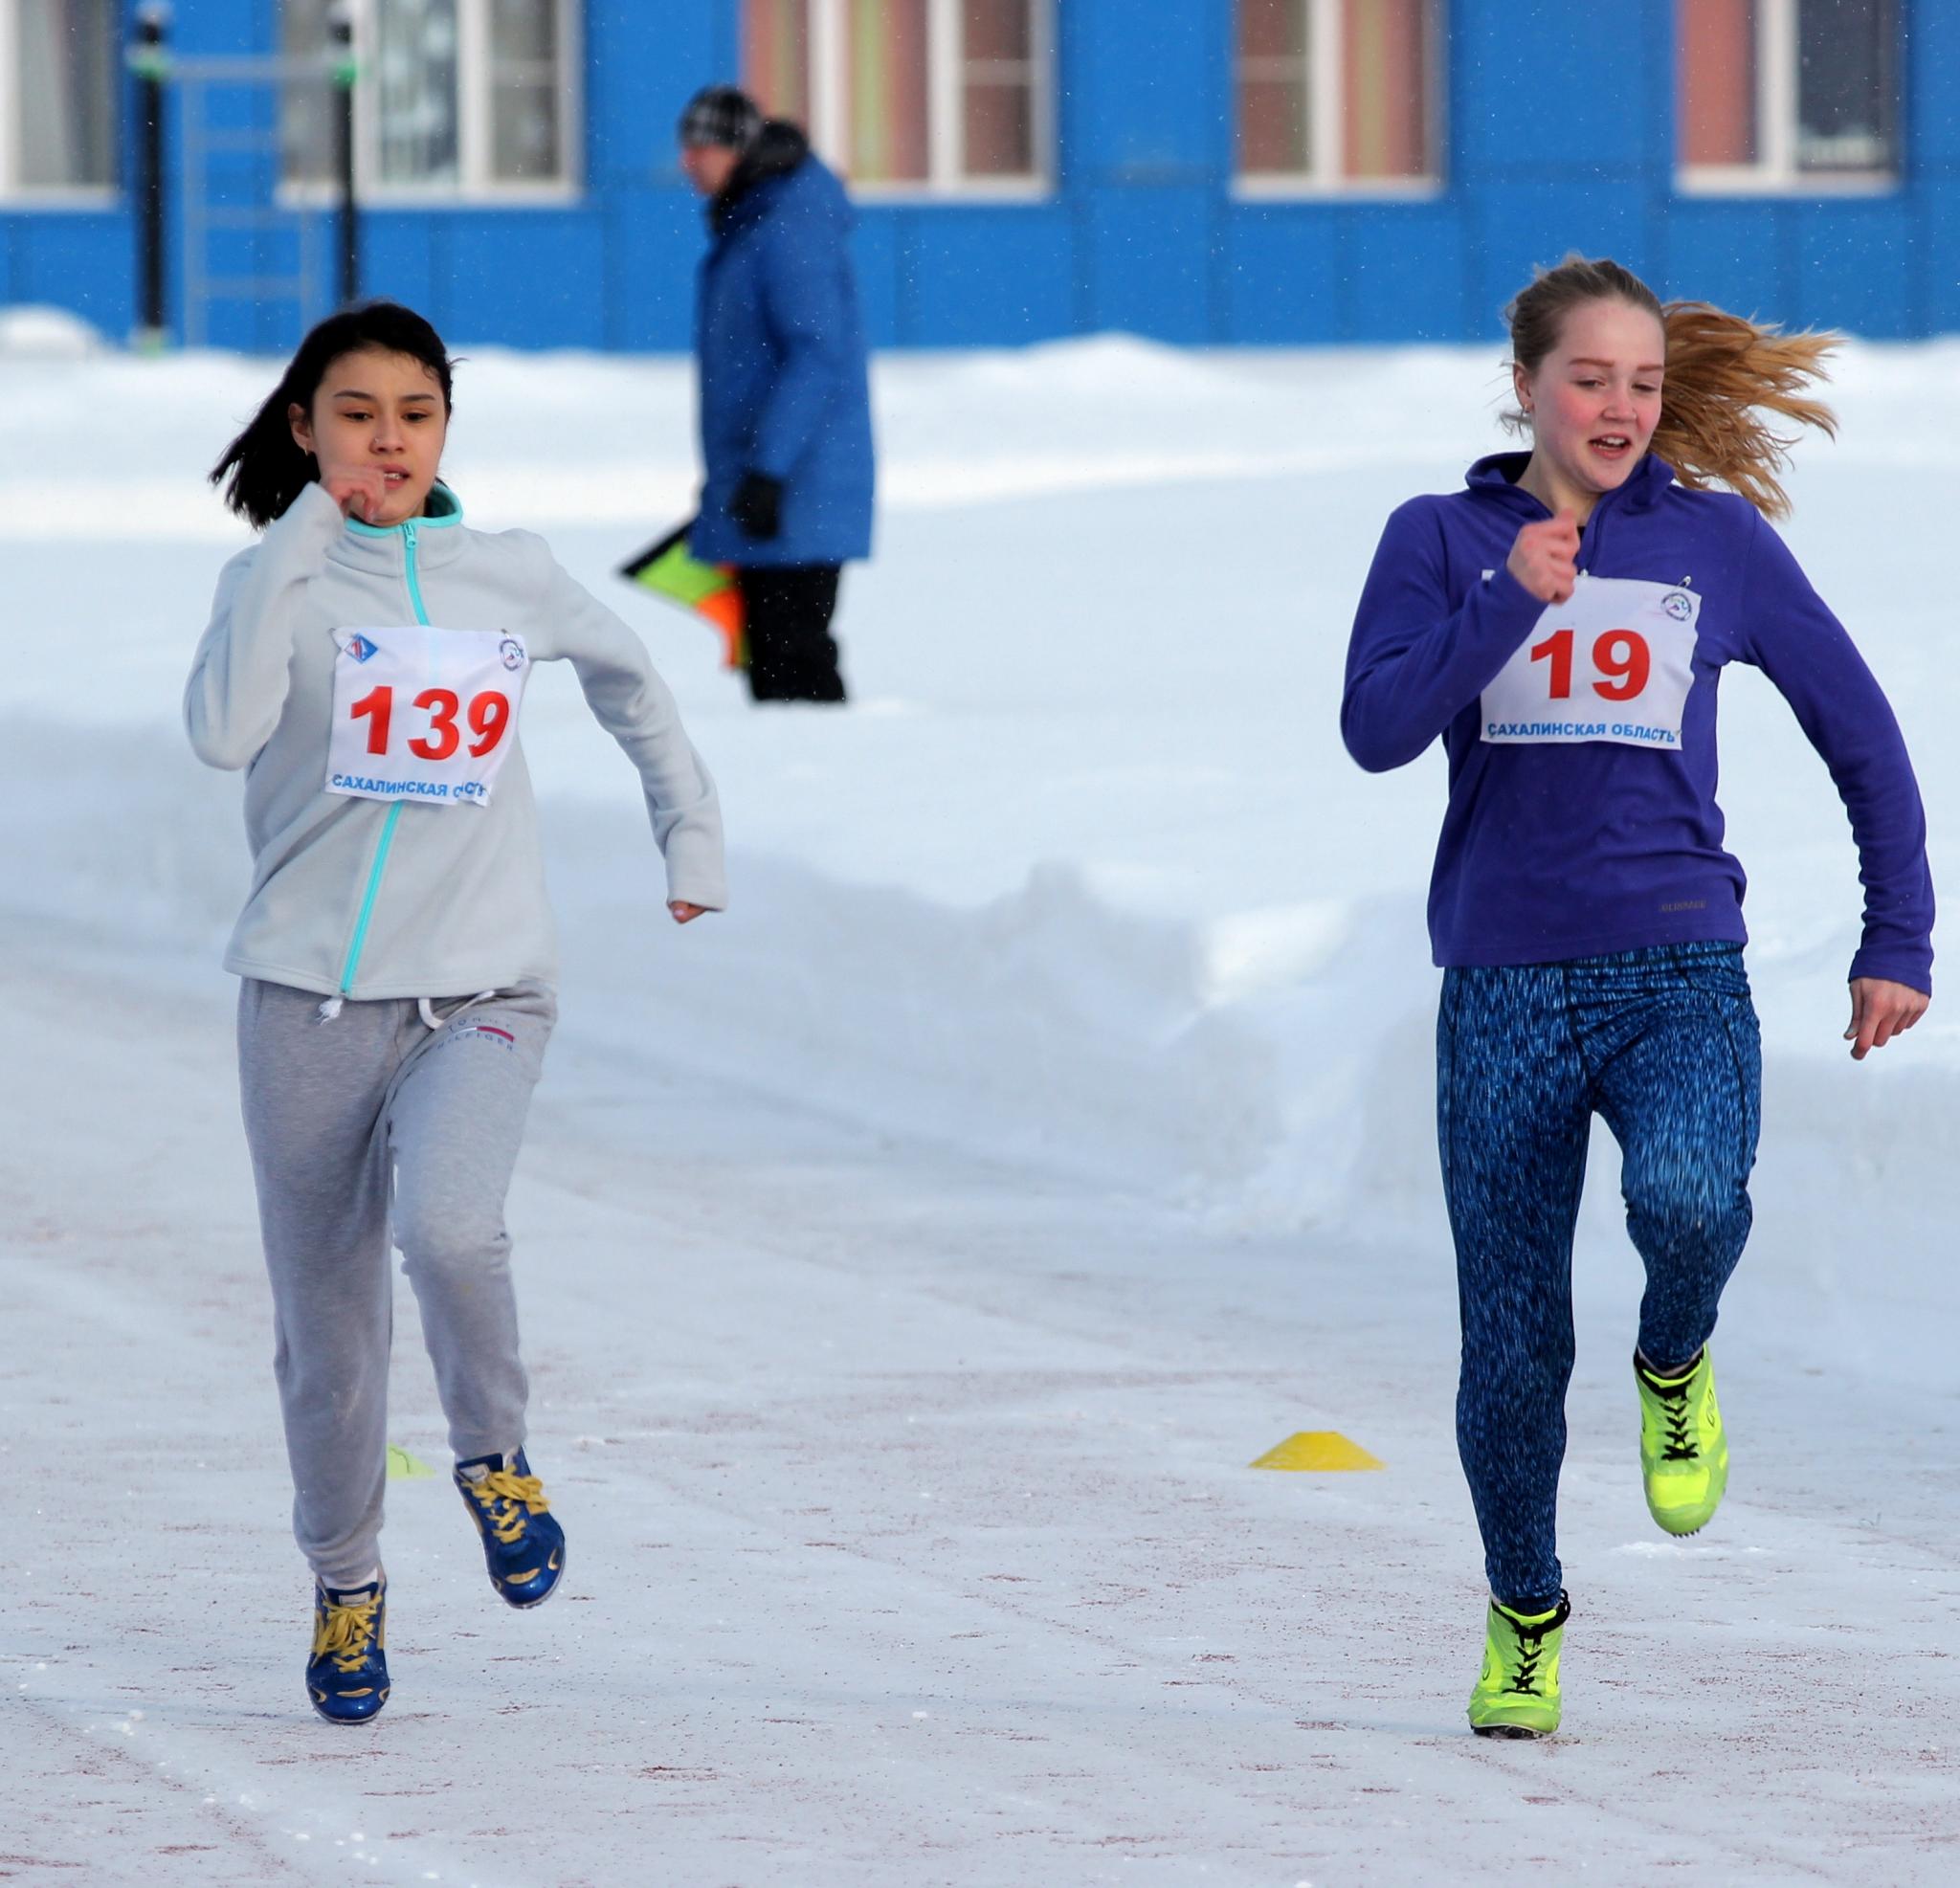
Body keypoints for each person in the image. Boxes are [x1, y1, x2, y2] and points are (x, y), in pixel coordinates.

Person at [1341, 255, 1933, 1739]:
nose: (1619, 407)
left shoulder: (1717, 545)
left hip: (1678, 966)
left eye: (1644, 382)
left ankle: (1675, 1355)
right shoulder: (1440, 536)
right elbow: (1373, 729)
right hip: (1501, 988)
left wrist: (1899, 937)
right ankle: (1526, 1614)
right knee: (1515, 1344)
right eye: (1590, 378)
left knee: (1689, 1198)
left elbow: (1863, 735)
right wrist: (1500, 600)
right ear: (1529, 385)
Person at [186, 300, 725, 1723]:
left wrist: (692, 833)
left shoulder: (507, 574)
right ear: (306, 427)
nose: (388, 444)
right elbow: (222, 732)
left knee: (451, 1228)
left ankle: (495, 1457)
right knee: (330, 1332)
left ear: (443, 431)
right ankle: (347, 1586)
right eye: (356, 415)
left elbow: (635, 680)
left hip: (484, 984)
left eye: (414, 417)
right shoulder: (272, 582)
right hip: (305, 1001)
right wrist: (295, 551)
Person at [678, 83, 874, 704]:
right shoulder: (755, 223)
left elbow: (815, 356)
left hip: (795, 485)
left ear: (735, 150)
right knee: (772, 659)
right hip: (771, 482)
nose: (688, 162)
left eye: (701, 146)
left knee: (794, 658)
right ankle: (800, 783)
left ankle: (827, 786)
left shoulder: (786, 228)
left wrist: (767, 472)